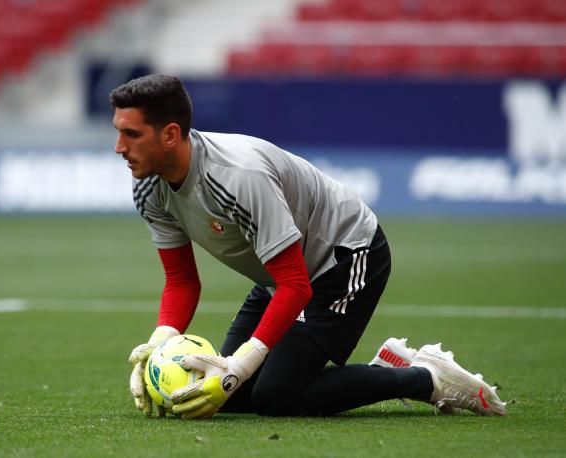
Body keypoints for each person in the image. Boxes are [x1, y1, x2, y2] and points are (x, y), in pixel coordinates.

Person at [111, 74, 506, 419]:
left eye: (131, 134)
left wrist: (241, 363)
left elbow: (297, 285)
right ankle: (389, 364)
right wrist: (156, 348)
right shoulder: (149, 185)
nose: (119, 147)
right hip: (280, 276)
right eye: (119, 131)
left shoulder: (237, 176)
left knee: (275, 395)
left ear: (170, 134)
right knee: (228, 394)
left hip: (346, 256)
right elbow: (181, 282)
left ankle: (425, 378)